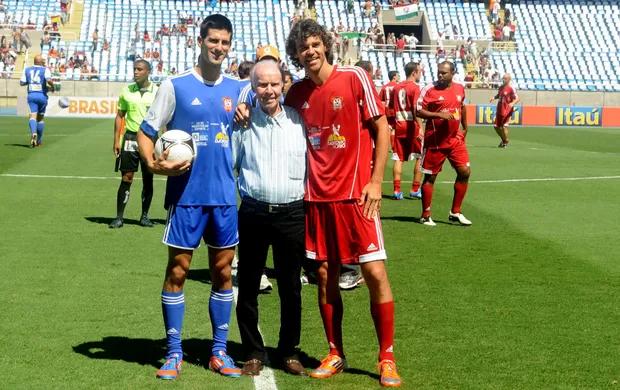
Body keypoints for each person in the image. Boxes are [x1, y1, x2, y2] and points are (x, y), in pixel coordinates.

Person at [283, 19, 401, 387]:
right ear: (296, 54)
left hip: (357, 197)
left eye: (316, 45)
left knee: (375, 274)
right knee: (324, 276)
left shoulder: (354, 78)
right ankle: (336, 352)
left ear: (326, 46)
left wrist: (377, 181)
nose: (311, 52)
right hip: (316, 199)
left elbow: (382, 128)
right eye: (304, 48)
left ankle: (386, 358)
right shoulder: (296, 94)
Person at [137, 14, 242, 380]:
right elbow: (147, 130)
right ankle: (174, 351)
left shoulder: (238, 88)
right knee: (178, 271)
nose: (219, 48)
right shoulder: (175, 85)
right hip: (185, 197)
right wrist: (153, 164)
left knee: (223, 272)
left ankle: (219, 351)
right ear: (200, 41)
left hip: (225, 197)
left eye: (225, 43)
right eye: (213, 41)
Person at [233, 60, 307, 377]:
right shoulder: (243, 123)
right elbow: (230, 164)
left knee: (291, 287)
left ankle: (288, 351)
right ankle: (252, 351)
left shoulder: (298, 121)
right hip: (253, 212)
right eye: (262, 84)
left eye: (274, 84)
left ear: (283, 84)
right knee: (248, 285)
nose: (269, 90)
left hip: (292, 213)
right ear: (253, 87)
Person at [416, 61, 471, 227]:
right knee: (430, 177)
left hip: (455, 139)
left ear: (452, 73)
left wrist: (465, 127)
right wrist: (437, 115)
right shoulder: (429, 90)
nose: (440, 75)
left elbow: (462, 107)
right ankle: (425, 215)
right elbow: (418, 110)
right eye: (439, 72)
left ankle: (455, 212)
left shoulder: (459, 88)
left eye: (444, 73)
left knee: (465, 172)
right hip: (435, 142)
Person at [108, 60, 157, 229]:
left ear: (148, 71)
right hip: (129, 138)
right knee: (126, 177)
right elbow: (120, 116)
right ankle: (119, 217)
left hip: (150, 138)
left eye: (139, 69)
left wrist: (162, 142)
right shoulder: (126, 91)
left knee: (148, 178)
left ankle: (144, 216)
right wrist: (116, 140)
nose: (135, 72)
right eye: (134, 69)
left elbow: (163, 118)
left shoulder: (157, 92)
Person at [389, 61, 424, 200]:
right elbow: (416, 110)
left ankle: (397, 191)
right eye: (419, 71)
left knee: (398, 158)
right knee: (420, 157)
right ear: (414, 72)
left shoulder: (396, 88)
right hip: (411, 125)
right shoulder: (415, 87)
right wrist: (420, 126)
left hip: (399, 124)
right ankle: (415, 189)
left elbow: (391, 108)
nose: (420, 73)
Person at [20, 54, 53, 148]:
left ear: (34, 61)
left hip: (32, 95)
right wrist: (53, 86)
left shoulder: (27, 69)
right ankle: (39, 140)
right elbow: (49, 80)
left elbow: (22, 83)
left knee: (32, 116)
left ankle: (33, 132)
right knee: (40, 118)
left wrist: (30, 82)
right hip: (42, 96)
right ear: (40, 61)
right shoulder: (45, 69)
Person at [379, 70, 400, 199]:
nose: (399, 77)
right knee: (394, 130)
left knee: (388, 129)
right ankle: (393, 146)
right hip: (395, 112)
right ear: (394, 76)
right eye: (397, 75)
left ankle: (388, 146)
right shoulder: (398, 87)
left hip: (386, 112)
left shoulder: (384, 87)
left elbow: (380, 101)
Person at [490, 73, 519, 148]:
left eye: (505, 78)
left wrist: (512, 103)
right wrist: (494, 97)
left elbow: (517, 98)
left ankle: (505, 142)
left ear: (509, 79)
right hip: (499, 109)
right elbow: (499, 95)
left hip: (507, 110)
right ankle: (504, 140)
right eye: (503, 78)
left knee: (504, 126)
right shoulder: (500, 87)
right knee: (496, 126)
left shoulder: (511, 88)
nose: (503, 79)